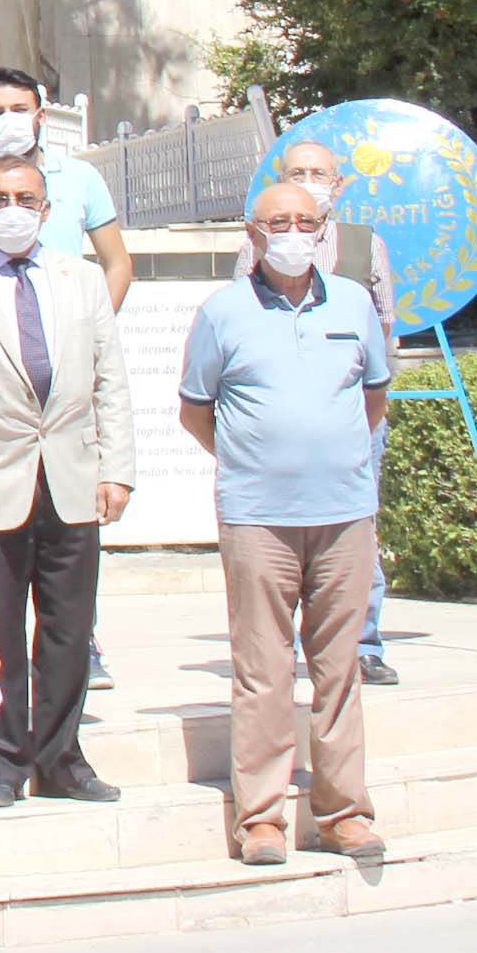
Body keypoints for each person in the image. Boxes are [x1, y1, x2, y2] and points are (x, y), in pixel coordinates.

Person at [181, 179, 393, 869]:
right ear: (254, 232)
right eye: (280, 222)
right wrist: (259, 460)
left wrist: (327, 460)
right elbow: (196, 411)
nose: (294, 233)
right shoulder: (222, 313)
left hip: (343, 515)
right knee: (263, 670)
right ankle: (262, 818)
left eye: (307, 221)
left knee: (339, 669)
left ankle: (344, 813)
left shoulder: (356, 304)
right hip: (258, 520)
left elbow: (374, 396)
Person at [0, 157, 136, 808]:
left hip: (72, 476)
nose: (11, 208)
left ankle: (61, 758)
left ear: (45, 209)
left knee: (71, 628)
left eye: (25, 197)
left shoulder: (85, 281)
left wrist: (117, 469)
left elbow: (110, 380)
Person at [232, 136, 404, 685]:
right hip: (275, 428)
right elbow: (237, 327)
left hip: (350, 420)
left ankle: (362, 643)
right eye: (297, 171)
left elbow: (383, 332)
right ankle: (278, 651)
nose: (308, 182)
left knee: (356, 530)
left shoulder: (363, 244)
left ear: (338, 186)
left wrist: (361, 417)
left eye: (318, 174)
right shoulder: (259, 244)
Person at [0, 68, 132, 307]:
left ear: (40, 117)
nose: (8, 120)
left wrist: (94, 329)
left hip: (67, 324)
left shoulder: (81, 177)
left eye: (19, 110)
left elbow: (117, 264)